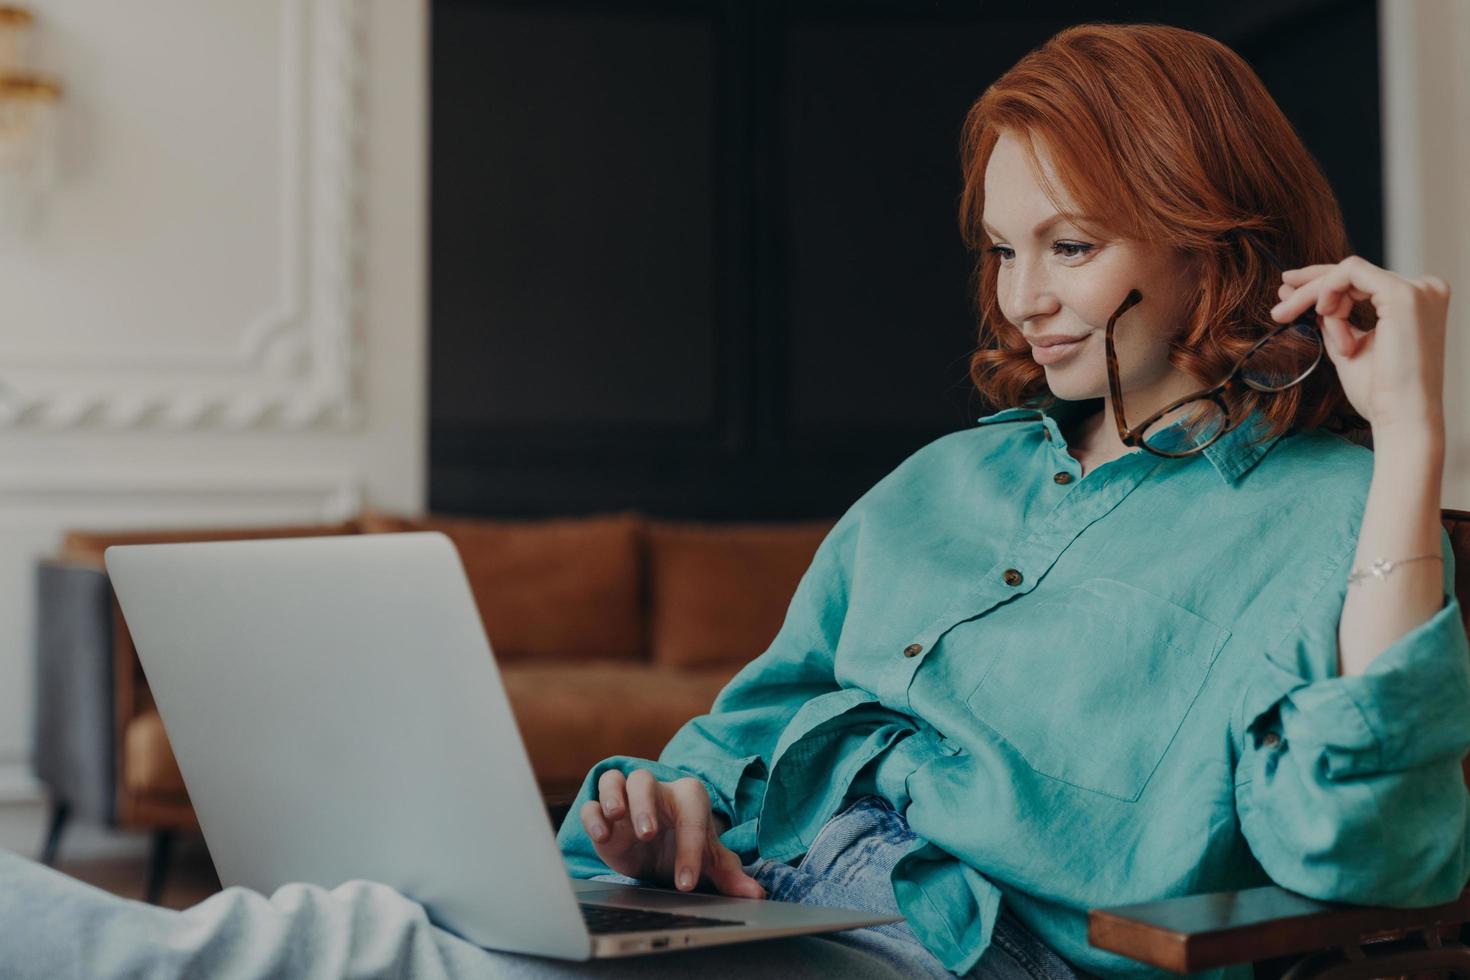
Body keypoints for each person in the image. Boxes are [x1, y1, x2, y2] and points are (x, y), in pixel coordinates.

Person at [2, 20, 1465, 980]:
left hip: (931, 952)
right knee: (403, 933)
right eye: (1003, 248)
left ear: (1212, 243)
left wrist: (1408, 440)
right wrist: (670, 809)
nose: (1023, 299)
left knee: (378, 954)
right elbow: (738, 733)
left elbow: (1371, 857)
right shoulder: (937, 488)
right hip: (764, 905)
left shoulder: (1320, 516)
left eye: (1069, 246)